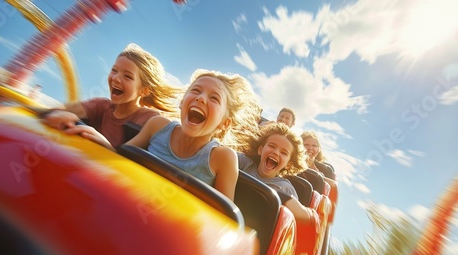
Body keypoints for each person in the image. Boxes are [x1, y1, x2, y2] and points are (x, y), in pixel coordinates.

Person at [65, 69, 262, 201]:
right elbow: (122, 158)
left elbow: (225, 221)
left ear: (224, 124)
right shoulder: (157, 126)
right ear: (182, 103)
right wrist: (98, 140)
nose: (201, 98)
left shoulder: (223, 158)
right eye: (196, 91)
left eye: (214, 98)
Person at [41, 43, 183, 148]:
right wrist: (60, 113)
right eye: (114, 70)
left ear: (144, 91)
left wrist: (106, 145)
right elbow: (64, 108)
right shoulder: (101, 106)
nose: (116, 78)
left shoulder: (149, 120)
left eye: (127, 76)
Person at [238, 122, 315, 221]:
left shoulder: (285, 189)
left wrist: (285, 199)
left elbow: (298, 220)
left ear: (288, 164)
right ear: (260, 149)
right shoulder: (244, 163)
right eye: (272, 146)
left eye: (284, 152)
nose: (276, 152)